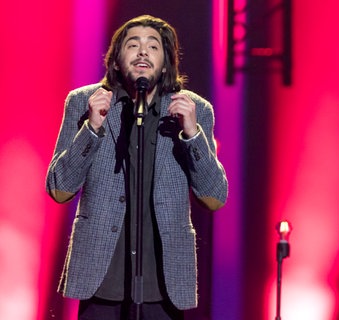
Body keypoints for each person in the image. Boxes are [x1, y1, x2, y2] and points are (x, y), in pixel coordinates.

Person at [46, 15, 228, 319]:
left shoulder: (195, 110)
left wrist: (192, 135)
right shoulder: (83, 103)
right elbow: (59, 188)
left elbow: (215, 196)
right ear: (116, 61)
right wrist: (91, 128)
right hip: (100, 276)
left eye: (153, 46)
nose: (143, 52)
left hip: (163, 280)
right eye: (133, 45)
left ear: (166, 63)